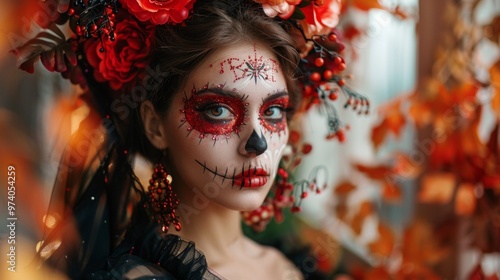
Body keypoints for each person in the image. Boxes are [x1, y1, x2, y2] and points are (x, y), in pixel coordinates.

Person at [12, 0, 359, 278]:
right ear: (154, 125)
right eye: (217, 111)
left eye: (273, 111)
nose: (258, 144)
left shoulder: (289, 264)